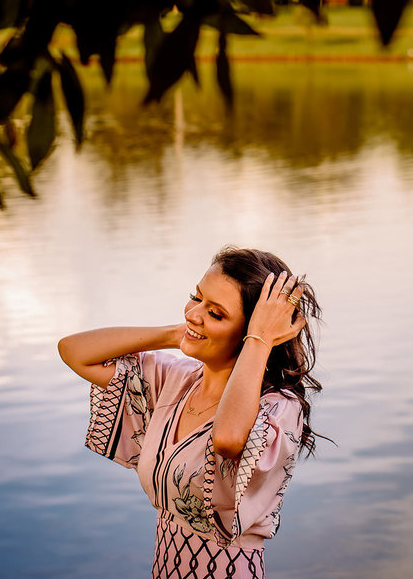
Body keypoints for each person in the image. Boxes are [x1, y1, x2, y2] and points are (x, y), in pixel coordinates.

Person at [58, 246, 324, 579]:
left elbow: (227, 439)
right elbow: (74, 351)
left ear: (253, 332)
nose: (194, 313)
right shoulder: (174, 380)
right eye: (195, 298)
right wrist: (182, 333)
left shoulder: (279, 407)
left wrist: (259, 340)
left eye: (216, 313)